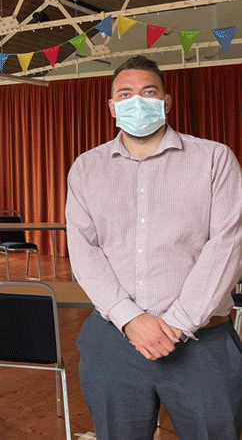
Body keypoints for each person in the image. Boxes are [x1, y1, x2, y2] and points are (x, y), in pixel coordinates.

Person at [66, 55, 242, 439]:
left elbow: (227, 246)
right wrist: (130, 318)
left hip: (202, 345)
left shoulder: (214, 159)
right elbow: (84, 251)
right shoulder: (85, 168)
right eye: (125, 94)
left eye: (149, 91)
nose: (137, 100)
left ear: (167, 101)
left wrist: (176, 324)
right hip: (113, 342)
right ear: (111, 106)